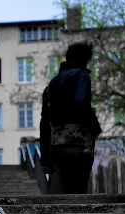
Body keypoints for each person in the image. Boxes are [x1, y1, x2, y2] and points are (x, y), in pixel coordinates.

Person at [40, 42, 102, 194]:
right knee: (80, 186)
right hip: (80, 141)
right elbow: (81, 102)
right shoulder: (82, 75)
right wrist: (95, 128)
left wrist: (45, 157)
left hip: (59, 144)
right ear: (85, 59)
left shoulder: (52, 84)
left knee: (68, 188)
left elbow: (45, 122)